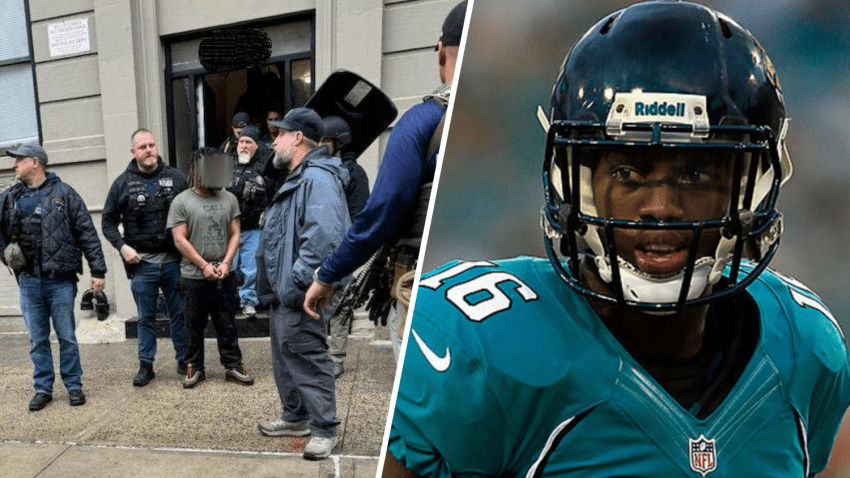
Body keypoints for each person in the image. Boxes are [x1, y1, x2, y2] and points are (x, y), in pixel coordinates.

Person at [383, 2, 850, 477]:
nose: (661, 206)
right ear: (575, 182)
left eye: (696, 173)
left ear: (753, 188)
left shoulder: (805, 347)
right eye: (628, 170)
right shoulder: (473, 347)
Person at [304, 0, 468, 361]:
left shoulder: (424, 121)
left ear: (441, 52)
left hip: (431, 290)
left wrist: (328, 274)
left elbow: (383, 210)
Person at [255, 107, 350, 460]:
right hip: (285, 293)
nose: (273, 140)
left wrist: (297, 281)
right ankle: (295, 417)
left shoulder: (318, 177)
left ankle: (323, 428)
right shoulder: (299, 176)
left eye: (278, 134)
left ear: (296, 138)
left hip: (299, 294)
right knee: (285, 357)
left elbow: (323, 238)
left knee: (308, 357)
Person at [0, 143, 107, 411]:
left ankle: (74, 386)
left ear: (35, 162)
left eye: (19, 160)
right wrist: (5, 253)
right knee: (37, 340)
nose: (14, 165)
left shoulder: (65, 194)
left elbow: (86, 232)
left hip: (60, 281)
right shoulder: (10, 197)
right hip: (28, 281)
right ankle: (43, 388)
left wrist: (98, 271)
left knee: (67, 336)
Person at [102, 129, 189, 386]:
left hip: (174, 262)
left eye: (152, 145)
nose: (149, 150)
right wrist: (122, 247)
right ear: (133, 152)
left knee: (179, 314)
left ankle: (184, 360)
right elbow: (107, 222)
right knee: (145, 318)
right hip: (142, 264)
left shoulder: (177, 178)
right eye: (142, 147)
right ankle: (146, 365)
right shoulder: (121, 184)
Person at [167, 147, 254, 389]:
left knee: (227, 323)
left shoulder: (229, 198)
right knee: (193, 326)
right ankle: (194, 367)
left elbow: (236, 233)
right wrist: (204, 265)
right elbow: (179, 239)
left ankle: (233, 366)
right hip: (193, 276)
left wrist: (226, 262)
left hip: (224, 275)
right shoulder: (181, 201)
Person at [319, 115, 371, 377]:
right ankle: (320, 356)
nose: (319, 144)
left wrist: (347, 252)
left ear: (338, 142)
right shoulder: (321, 171)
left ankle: (336, 358)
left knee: (339, 305)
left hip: (340, 250)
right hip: (319, 248)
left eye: (324, 140)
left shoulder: (354, 174)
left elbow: (359, 217)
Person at [226, 124, 278, 317]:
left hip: (253, 228)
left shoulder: (266, 166)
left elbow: (275, 196)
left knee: (250, 269)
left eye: (249, 142)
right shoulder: (225, 164)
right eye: (241, 142)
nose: (244, 146)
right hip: (228, 228)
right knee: (228, 267)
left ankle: (248, 301)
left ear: (257, 145)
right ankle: (229, 302)